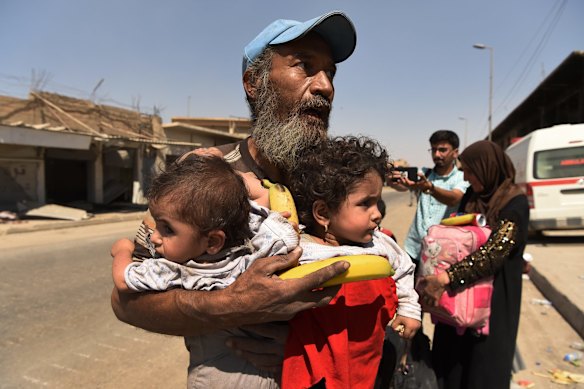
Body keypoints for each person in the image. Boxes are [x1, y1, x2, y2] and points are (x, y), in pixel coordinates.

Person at [110, 11, 358, 375]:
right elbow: (126, 302)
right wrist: (232, 304)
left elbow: (377, 285)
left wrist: (307, 349)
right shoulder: (204, 176)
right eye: (304, 65)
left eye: (331, 73)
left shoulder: (340, 182)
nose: (325, 86)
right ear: (254, 83)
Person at [112, 155, 300, 387]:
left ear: (213, 242)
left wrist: (122, 250)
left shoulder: (175, 269)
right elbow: (262, 196)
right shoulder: (251, 245)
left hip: (216, 378)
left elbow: (123, 280)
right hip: (270, 377)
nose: (154, 236)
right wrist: (230, 177)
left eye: (167, 229)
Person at [282, 136, 421, 388]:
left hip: (366, 360)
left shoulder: (381, 244)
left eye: (377, 201)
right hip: (316, 368)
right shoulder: (301, 249)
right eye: (364, 204)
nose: (377, 213)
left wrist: (409, 309)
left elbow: (404, 268)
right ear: (323, 213)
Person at [416, 140, 529, 389]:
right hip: (459, 297)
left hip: (493, 299)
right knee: (450, 365)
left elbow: (494, 253)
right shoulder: (472, 195)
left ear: (486, 168)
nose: (465, 177)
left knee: (483, 368)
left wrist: (446, 278)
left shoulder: (514, 203)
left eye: (469, 171)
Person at [388, 130, 469, 266]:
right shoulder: (425, 174)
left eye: (442, 150)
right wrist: (393, 182)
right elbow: (405, 187)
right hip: (414, 248)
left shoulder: (461, 178)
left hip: (442, 251)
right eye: (434, 150)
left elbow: (454, 198)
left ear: (455, 152)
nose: (437, 154)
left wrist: (430, 188)